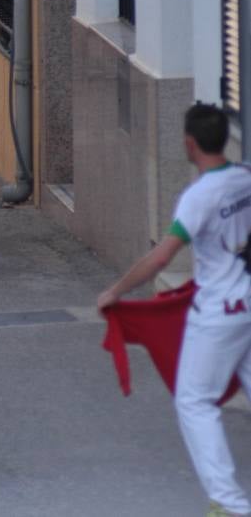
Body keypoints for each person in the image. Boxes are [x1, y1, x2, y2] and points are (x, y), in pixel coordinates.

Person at [97, 104, 251, 517]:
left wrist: (117, 290)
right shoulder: (246, 177)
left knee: (194, 400)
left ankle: (231, 504)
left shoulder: (198, 197)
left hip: (220, 311)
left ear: (188, 143)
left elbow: (163, 257)